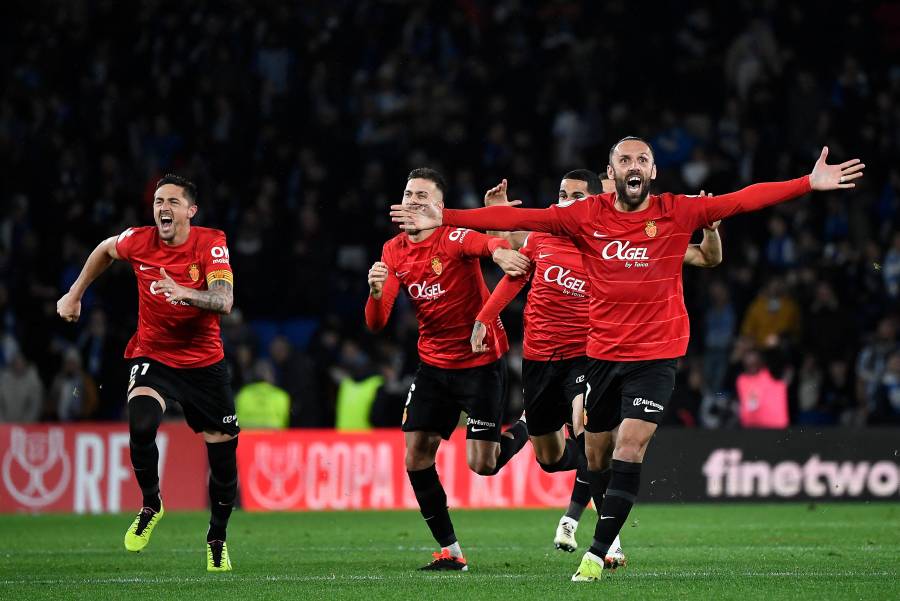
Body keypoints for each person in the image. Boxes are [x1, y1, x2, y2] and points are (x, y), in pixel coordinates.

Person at [391, 139, 863, 581]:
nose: (633, 167)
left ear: (652, 171)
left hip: (650, 355)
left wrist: (807, 182)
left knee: (628, 448)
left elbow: (743, 198)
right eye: (624, 160)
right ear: (612, 173)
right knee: (580, 457)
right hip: (599, 355)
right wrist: (445, 216)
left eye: (642, 161)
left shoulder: (676, 212)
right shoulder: (582, 219)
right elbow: (530, 220)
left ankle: (599, 551)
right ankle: (582, 494)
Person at [474, 170, 722, 561]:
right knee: (551, 459)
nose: (565, 202)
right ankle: (541, 436)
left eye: (575, 196)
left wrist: (708, 229)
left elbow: (707, 257)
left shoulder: (616, 241)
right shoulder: (546, 236)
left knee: (586, 428)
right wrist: (497, 212)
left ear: (591, 202)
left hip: (589, 355)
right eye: (561, 194)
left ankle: (609, 543)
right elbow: (512, 250)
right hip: (540, 360)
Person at [56, 174, 238, 572]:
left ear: (191, 210)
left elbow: (224, 301)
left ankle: (217, 538)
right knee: (140, 424)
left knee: (224, 463)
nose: (163, 208)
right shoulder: (139, 240)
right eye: (158, 201)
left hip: (204, 363)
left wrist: (186, 292)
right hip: (153, 353)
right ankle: (151, 503)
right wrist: (75, 293)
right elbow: (105, 250)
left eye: (172, 201)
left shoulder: (211, 243)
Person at [365, 168, 532, 571]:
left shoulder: (452, 236)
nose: (414, 201)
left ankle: (526, 427)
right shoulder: (393, 251)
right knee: (416, 456)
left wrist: (500, 251)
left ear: (439, 206)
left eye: (423, 195)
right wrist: (373, 293)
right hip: (434, 366)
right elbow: (377, 322)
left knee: (483, 464)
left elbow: (482, 242)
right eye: (409, 194)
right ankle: (451, 551)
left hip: (481, 363)